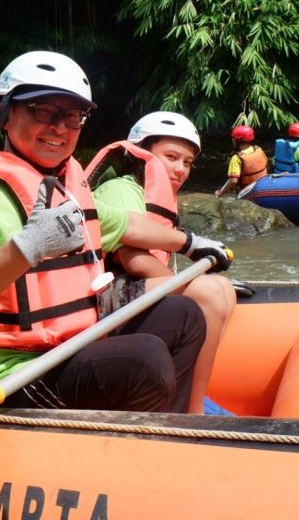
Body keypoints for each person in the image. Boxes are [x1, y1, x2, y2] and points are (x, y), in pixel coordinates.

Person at [0, 51, 231, 414]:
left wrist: (192, 243)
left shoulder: (69, 190)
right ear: (4, 113)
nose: (59, 127)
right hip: (14, 374)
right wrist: (26, 248)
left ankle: (176, 425)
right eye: (42, 111)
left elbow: (127, 224)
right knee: (145, 357)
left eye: (71, 116)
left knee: (184, 316)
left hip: (75, 346)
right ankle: (140, 451)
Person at [86, 111, 237, 414]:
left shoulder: (154, 193)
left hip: (130, 292)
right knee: (209, 291)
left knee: (220, 288)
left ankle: (196, 402)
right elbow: (133, 259)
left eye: (187, 162)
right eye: (171, 157)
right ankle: (193, 414)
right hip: (99, 300)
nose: (180, 169)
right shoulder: (121, 187)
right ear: (143, 152)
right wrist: (193, 285)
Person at [214, 125, 267, 197]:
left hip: (247, 194)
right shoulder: (259, 149)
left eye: (233, 138)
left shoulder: (237, 158)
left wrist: (221, 192)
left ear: (238, 141)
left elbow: (233, 180)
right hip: (264, 189)